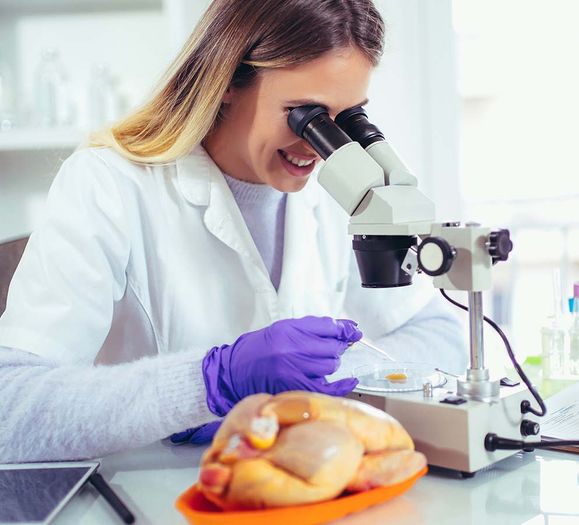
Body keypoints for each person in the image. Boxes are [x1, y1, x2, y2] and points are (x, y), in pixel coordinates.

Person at [0, 0, 465, 463]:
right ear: (226, 84)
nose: (323, 147)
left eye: (347, 119)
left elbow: (440, 335)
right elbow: (11, 408)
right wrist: (211, 381)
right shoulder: (109, 184)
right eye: (306, 114)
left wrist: (336, 371)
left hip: (295, 493)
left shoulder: (334, 189)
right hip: (149, 499)